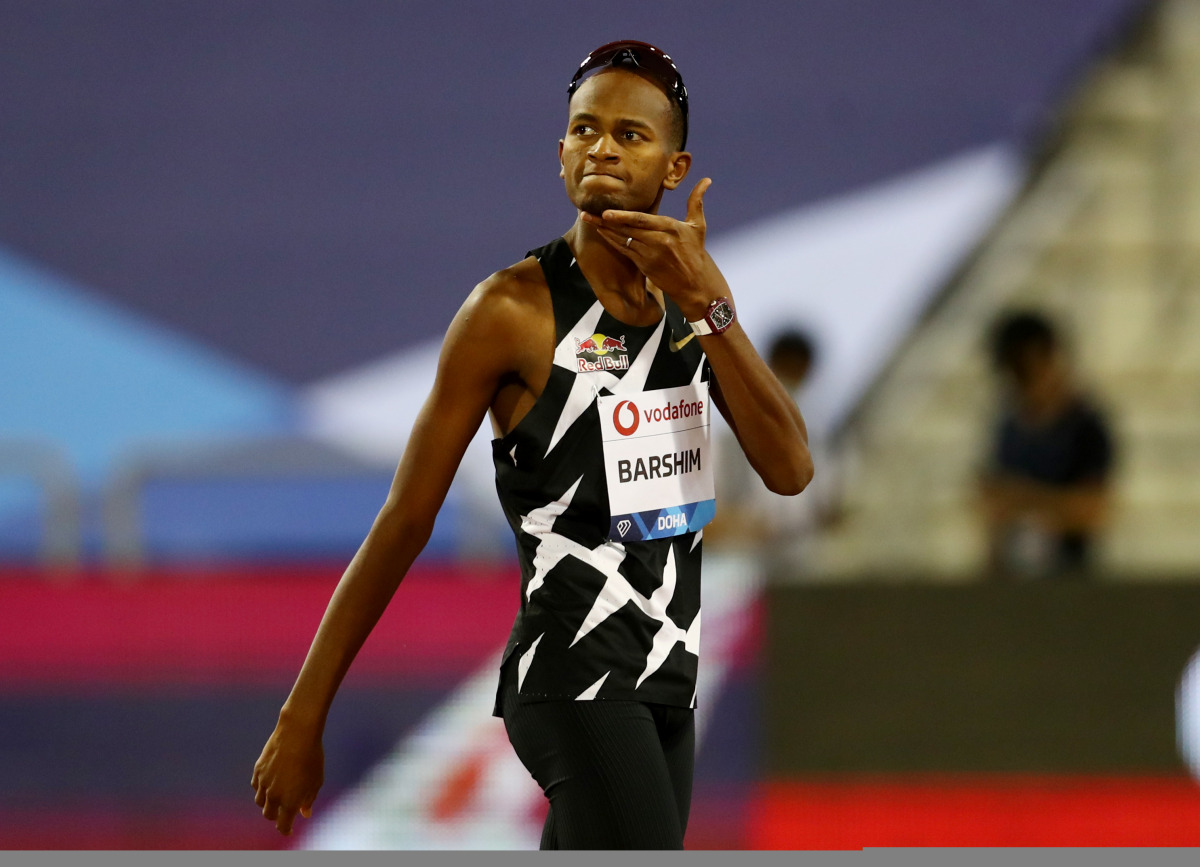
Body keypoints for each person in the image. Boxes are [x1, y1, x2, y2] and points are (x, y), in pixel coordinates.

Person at [251, 40, 812, 850]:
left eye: (631, 134)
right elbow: (404, 520)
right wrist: (302, 714)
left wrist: (707, 304)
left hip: (666, 677)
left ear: (676, 165)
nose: (604, 150)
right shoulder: (511, 310)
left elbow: (791, 468)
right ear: (560, 156)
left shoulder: (692, 302)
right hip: (574, 673)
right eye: (586, 131)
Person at [978, 310, 1115, 579]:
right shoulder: (1009, 429)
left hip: (1071, 581)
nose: (1022, 386)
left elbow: (1094, 511)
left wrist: (1025, 500)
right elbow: (993, 511)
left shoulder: (1085, 428)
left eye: (1026, 372)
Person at [706, 328, 842, 580]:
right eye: (784, 369)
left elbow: (833, 508)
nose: (789, 384)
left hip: (802, 566)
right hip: (741, 566)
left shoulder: (821, 439)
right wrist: (745, 527)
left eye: (796, 372)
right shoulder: (729, 440)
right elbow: (708, 515)